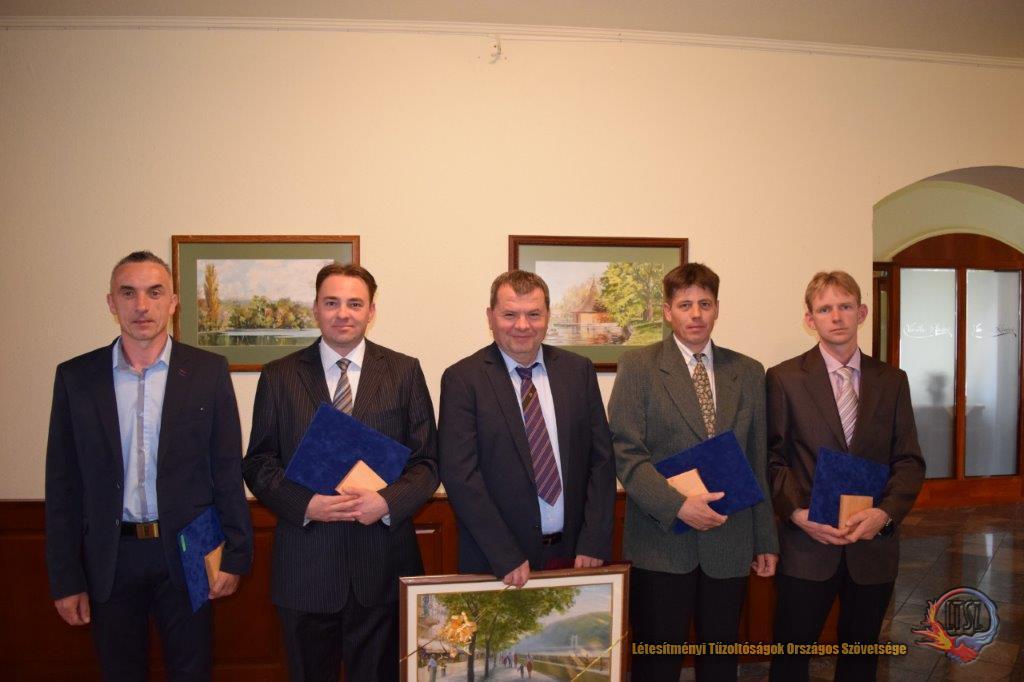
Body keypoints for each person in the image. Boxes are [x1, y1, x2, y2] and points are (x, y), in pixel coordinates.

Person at [45, 250, 253, 680]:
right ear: (111, 302)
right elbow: (62, 484)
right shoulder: (76, 377)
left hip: (190, 549)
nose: (142, 305)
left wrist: (236, 554)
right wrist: (65, 578)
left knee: (193, 670)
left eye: (154, 293)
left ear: (173, 302)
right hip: (111, 555)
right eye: (129, 293)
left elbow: (226, 470)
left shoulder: (208, 371)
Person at [243, 262, 438, 682]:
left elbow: (427, 463)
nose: (343, 313)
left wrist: (386, 502)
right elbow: (258, 462)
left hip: (382, 567)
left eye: (354, 303)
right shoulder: (279, 375)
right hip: (306, 569)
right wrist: (306, 504)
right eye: (331, 303)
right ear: (315, 308)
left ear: (371, 311)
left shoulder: (404, 372)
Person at [608, 263, 778, 682]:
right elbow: (626, 453)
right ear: (668, 312)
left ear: (717, 308)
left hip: (730, 541)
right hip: (662, 542)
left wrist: (765, 540)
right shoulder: (639, 366)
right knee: (657, 664)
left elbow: (756, 459)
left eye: (705, 303)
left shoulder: (748, 371)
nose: (696, 313)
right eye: (685, 305)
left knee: (720, 664)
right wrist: (678, 505)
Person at [767, 271, 925, 681]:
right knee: (790, 659)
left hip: (872, 549)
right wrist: (797, 514)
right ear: (810, 319)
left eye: (845, 306)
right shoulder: (783, 378)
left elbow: (909, 460)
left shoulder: (893, 381)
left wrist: (884, 515)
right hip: (807, 546)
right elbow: (772, 459)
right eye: (824, 309)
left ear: (862, 312)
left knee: (860, 660)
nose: (836, 316)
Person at [438, 270, 615, 587]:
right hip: (497, 562)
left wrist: (594, 540)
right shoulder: (463, 380)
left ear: (548, 316)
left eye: (533, 314)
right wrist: (504, 554)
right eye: (510, 314)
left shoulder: (579, 371)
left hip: (575, 555)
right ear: (490, 317)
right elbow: (460, 476)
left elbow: (602, 461)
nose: (522, 325)